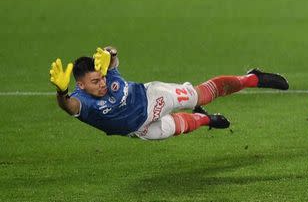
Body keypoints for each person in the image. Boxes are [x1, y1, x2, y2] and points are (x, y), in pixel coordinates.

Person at [49, 46, 289, 140]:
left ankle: (252, 78)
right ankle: (207, 119)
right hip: (139, 129)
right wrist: (62, 91)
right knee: (179, 127)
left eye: (101, 78)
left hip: (153, 97)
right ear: (81, 85)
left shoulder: (106, 74)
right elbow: (67, 106)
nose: (101, 83)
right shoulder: (83, 102)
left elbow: (112, 59)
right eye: (94, 81)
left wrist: (112, 53)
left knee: (199, 94)